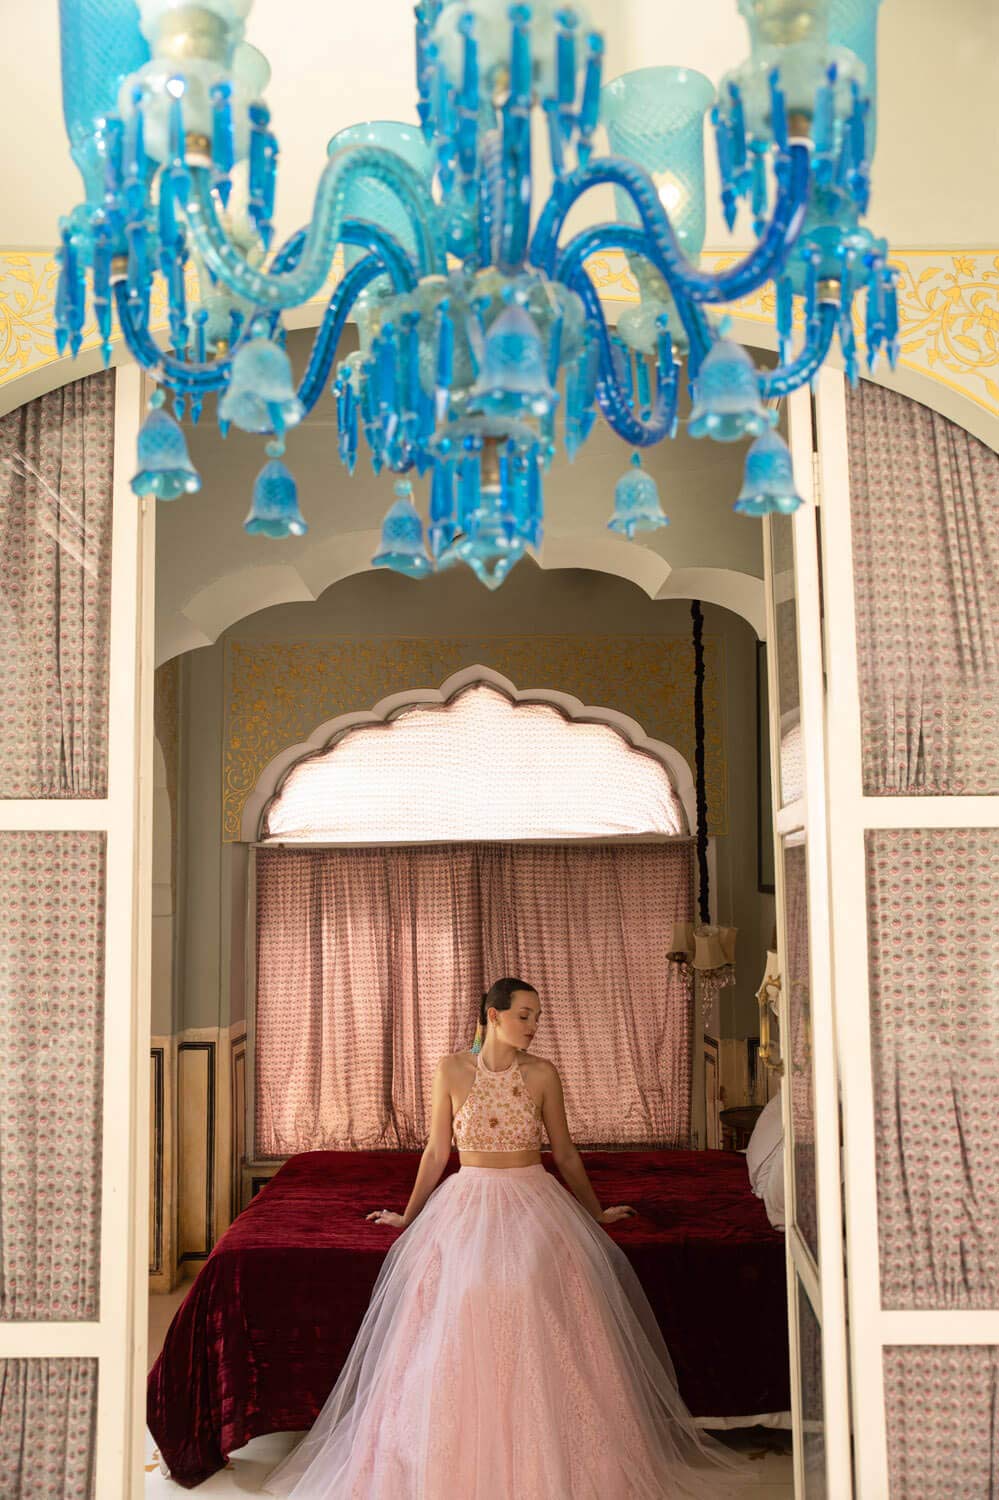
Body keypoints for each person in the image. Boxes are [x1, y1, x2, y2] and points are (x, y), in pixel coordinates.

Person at [264, 978, 747, 1498]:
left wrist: (596, 1213)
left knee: (529, 1288)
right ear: (493, 1016)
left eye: (537, 1016)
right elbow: (436, 1152)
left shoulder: (542, 1074)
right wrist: (408, 1217)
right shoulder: (451, 1070)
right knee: (464, 1295)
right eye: (524, 1015)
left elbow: (564, 1152)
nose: (534, 1026)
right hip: (467, 1199)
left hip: (533, 1198)